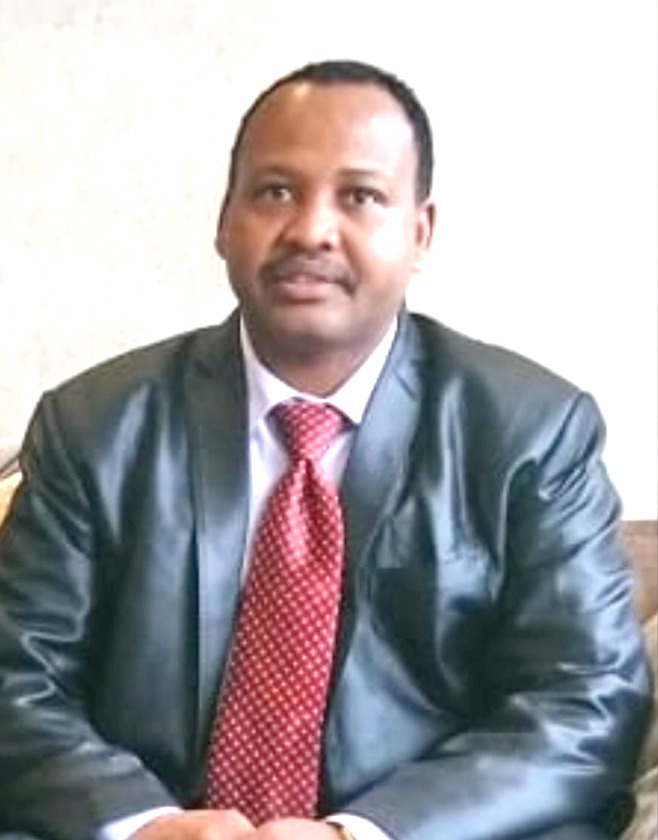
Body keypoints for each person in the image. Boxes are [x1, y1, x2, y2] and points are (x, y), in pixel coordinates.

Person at [0, 60, 650, 840]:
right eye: (275, 191)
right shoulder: (94, 425)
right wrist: (145, 823)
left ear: (420, 233)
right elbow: (18, 682)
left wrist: (359, 834)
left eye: (360, 196)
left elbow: (582, 701)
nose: (310, 229)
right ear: (225, 221)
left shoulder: (532, 432)